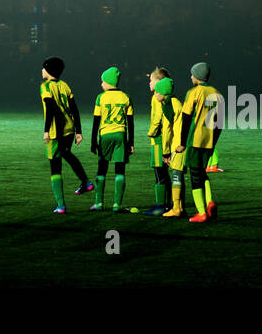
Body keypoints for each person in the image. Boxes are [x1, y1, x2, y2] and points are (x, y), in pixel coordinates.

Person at [40, 56, 93, 215]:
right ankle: (86, 182)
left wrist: (46, 130)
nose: (42, 70)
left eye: (44, 68)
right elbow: (75, 109)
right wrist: (79, 131)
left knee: (55, 168)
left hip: (56, 131)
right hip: (69, 129)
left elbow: (50, 108)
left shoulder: (46, 87)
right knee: (67, 153)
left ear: (48, 71)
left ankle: (61, 205)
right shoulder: (65, 85)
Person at [175, 61, 222, 223]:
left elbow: (186, 118)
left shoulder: (194, 92)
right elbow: (220, 123)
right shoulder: (218, 93)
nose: (191, 77)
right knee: (202, 173)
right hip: (209, 141)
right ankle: (210, 202)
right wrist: (214, 141)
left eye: (192, 74)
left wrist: (182, 142)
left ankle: (201, 212)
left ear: (196, 77)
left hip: (195, 139)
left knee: (195, 176)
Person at [90, 67, 133, 213]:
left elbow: (96, 121)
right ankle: (116, 205)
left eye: (103, 81)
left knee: (102, 168)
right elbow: (130, 122)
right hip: (121, 135)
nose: (101, 84)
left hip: (105, 135)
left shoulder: (100, 97)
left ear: (109, 82)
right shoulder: (125, 97)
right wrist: (131, 142)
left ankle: (99, 203)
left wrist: (92, 141)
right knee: (120, 169)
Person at [143, 69, 178, 216]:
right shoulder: (168, 98)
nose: (149, 83)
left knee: (159, 173)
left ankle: (161, 205)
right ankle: (167, 204)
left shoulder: (156, 98)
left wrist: (151, 132)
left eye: (151, 80)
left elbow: (157, 119)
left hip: (158, 140)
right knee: (163, 173)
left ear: (158, 82)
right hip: (165, 140)